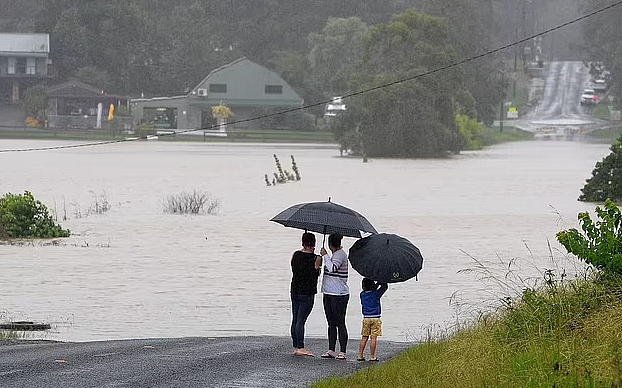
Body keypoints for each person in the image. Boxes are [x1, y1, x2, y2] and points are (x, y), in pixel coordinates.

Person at [290, 232, 322, 357]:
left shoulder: (296, 254)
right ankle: (300, 347)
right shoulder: (316, 258)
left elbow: (294, 268)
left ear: (303, 242)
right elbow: (317, 273)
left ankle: (295, 345)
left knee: (295, 318)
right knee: (301, 321)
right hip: (307, 292)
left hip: (295, 289)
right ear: (313, 243)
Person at [320, 233, 349, 360]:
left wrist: (325, 255)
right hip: (329, 293)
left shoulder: (340, 255)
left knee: (340, 322)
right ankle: (331, 349)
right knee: (331, 323)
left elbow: (332, 268)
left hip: (339, 294)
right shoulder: (334, 255)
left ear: (330, 244)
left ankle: (342, 351)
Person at [356, 278, 388, 362]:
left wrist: (375, 285)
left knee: (364, 337)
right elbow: (384, 287)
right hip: (375, 318)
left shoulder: (362, 294)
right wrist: (380, 282)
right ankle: (372, 356)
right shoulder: (376, 294)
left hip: (366, 318)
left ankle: (360, 355)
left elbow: (371, 290)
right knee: (373, 338)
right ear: (373, 285)